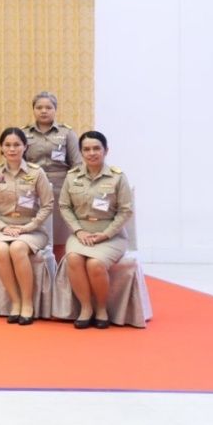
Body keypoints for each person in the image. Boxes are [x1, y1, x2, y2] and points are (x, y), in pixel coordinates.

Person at [0, 127, 55, 325]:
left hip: (32, 230)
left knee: (18, 247)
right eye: (8, 145)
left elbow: (48, 205)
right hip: (3, 228)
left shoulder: (37, 173)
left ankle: (27, 303)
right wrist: (2, 226)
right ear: (1, 148)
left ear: (25, 146)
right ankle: (15, 301)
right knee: (1, 249)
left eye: (17, 145)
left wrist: (29, 227)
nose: (12, 149)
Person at [60, 131, 134, 329]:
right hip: (81, 234)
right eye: (86, 149)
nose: (91, 153)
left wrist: (106, 234)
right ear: (81, 152)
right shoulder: (72, 176)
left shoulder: (117, 177)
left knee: (95, 263)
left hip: (111, 235)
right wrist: (78, 231)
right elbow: (64, 207)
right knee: (73, 258)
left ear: (105, 150)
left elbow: (126, 211)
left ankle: (101, 308)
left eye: (96, 148)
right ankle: (86, 308)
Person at [23, 92, 82, 260]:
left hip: (60, 188)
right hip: (32, 188)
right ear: (33, 110)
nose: (44, 111)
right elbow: (19, 164)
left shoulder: (67, 133)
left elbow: (77, 165)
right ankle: (39, 269)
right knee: (33, 231)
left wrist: (74, 191)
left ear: (55, 109)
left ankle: (58, 269)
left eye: (48, 107)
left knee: (59, 233)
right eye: (39, 107)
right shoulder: (24, 133)